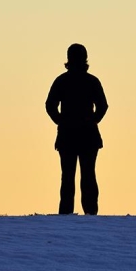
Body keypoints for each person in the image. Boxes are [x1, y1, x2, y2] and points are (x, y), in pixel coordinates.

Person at [45, 44, 109, 215]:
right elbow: (103, 106)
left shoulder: (62, 81)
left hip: (69, 135)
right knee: (87, 175)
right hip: (86, 135)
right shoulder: (91, 81)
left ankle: (67, 213)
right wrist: (92, 121)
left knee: (68, 176)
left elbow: (50, 105)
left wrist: (61, 121)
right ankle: (90, 212)